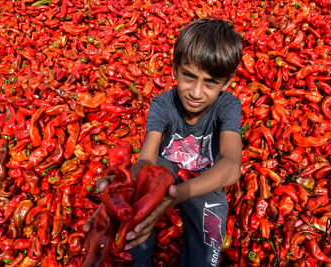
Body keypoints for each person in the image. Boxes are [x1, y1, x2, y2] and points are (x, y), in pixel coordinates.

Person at [84, 18, 243, 267]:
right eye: (189, 76)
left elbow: (231, 165)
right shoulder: (162, 105)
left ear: (227, 81)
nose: (196, 92)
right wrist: (123, 184)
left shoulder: (228, 106)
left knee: (209, 240)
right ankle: (139, 260)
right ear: (174, 70)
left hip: (205, 177)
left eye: (210, 81)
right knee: (135, 216)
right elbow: (146, 160)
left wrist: (177, 195)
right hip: (163, 171)